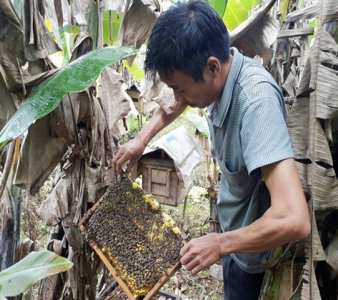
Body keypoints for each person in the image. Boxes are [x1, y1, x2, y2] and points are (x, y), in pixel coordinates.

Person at [112, 0, 310, 299]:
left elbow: (293, 218)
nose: (176, 97)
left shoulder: (256, 104)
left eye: (179, 87)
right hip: (236, 239)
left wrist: (220, 244)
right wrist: (142, 139)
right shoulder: (218, 70)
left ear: (212, 68)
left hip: (257, 258)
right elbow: (180, 99)